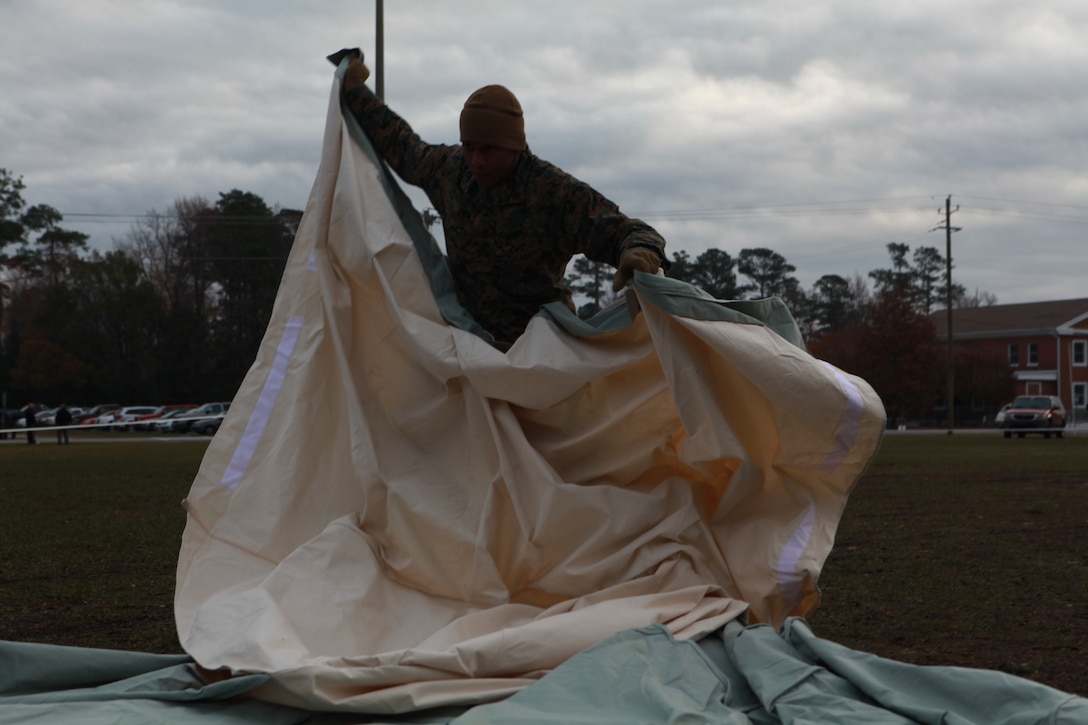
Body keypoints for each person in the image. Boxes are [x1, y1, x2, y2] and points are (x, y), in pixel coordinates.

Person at [335, 49, 667, 347]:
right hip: (470, 343)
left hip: (543, 350)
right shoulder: (451, 171)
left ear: (514, 146)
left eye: (488, 149)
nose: (476, 160)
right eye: (469, 147)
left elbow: (628, 231)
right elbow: (401, 145)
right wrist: (355, 90)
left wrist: (640, 253)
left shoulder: (553, 192)